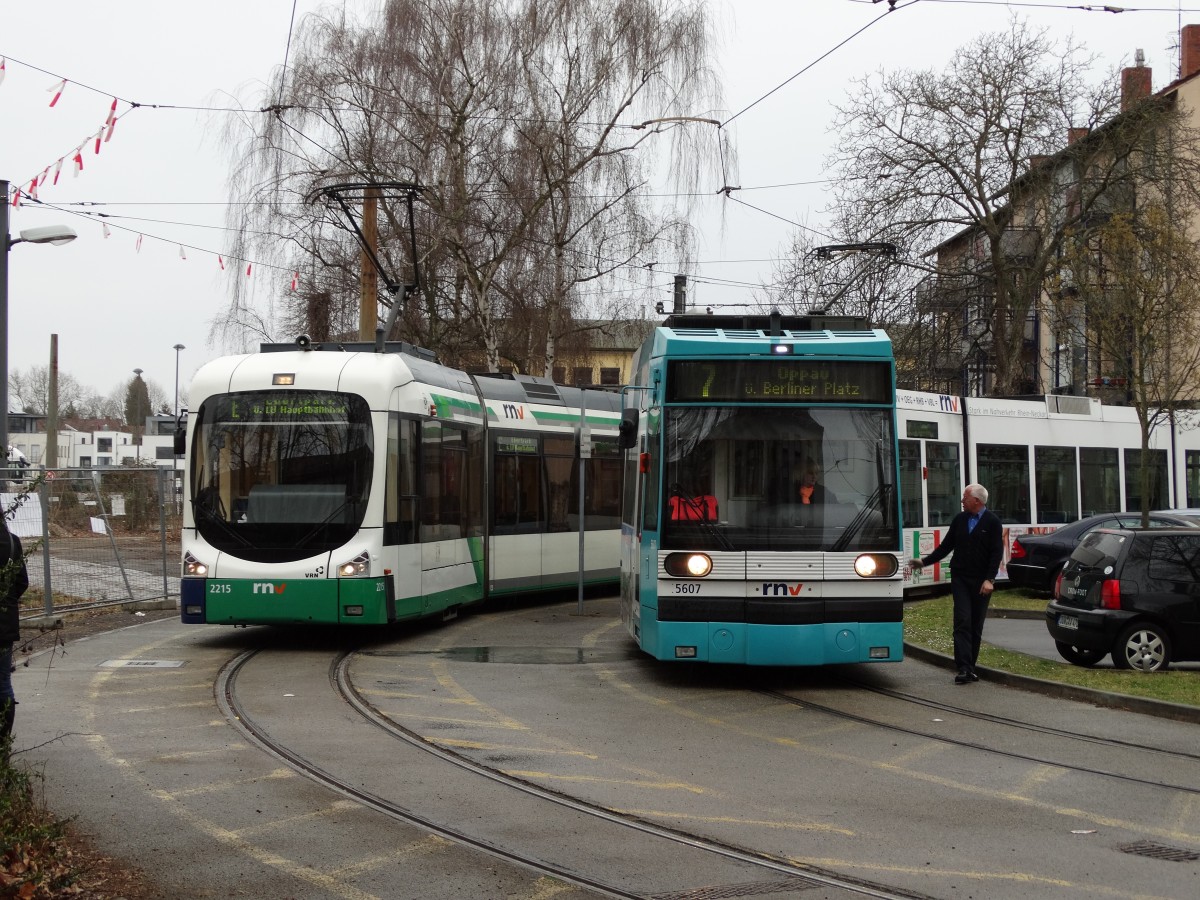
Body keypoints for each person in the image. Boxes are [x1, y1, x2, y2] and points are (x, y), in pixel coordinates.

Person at [910, 483, 1003, 685]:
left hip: (981, 581)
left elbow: (996, 553)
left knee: (975, 624)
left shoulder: (993, 522)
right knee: (962, 621)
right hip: (960, 577)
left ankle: (971, 667)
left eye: (965, 497)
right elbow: (946, 546)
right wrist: (924, 562)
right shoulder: (960, 520)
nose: (962, 501)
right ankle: (963, 668)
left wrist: (990, 579)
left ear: (976, 501)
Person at [1, 517, 30, 753]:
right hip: (4, 624)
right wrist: (8, 601)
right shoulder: (12, 541)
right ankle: (3, 744)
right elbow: (22, 581)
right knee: (3, 685)